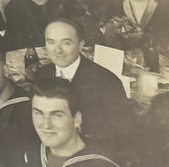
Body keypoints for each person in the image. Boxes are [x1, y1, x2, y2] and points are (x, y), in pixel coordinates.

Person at [30, 18, 134, 154]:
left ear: (80, 45)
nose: (58, 50)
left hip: (90, 154)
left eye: (66, 43)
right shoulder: (42, 74)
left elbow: (121, 133)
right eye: (51, 42)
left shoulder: (107, 81)